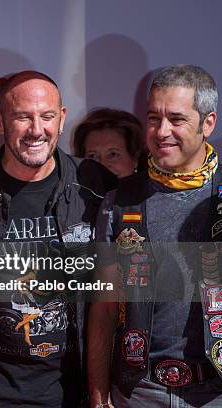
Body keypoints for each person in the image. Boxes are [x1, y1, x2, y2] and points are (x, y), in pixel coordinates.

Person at [0, 71, 116, 407]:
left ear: (62, 119)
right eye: (23, 117)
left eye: (47, 116)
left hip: (71, 394)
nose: (37, 130)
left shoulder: (96, 187)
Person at [88, 64, 222, 408]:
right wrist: (99, 397)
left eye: (177, 120)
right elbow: (104, 309)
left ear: (208, 123)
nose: (162, 131)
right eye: (153, 118)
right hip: (140, 390)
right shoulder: (119, 202)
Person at [73, 108, 146, 178]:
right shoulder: (71, 189)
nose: (102, 165)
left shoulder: (153, 190)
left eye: (113, 154)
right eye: (92, 156)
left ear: (135, 159)